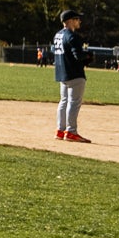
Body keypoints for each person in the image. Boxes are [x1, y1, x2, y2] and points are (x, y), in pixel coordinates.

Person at [51, 8, 89, 143]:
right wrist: (88, 56)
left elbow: (54, 50)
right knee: (73, 102)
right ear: (70, 21)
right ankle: (71, 132)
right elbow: (78, 56)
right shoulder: (72, 36)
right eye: (77, 19)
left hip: (62, 72)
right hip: (74, 73)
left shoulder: (58, 35)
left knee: (64, 101)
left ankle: (60, 130)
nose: (79, 21)